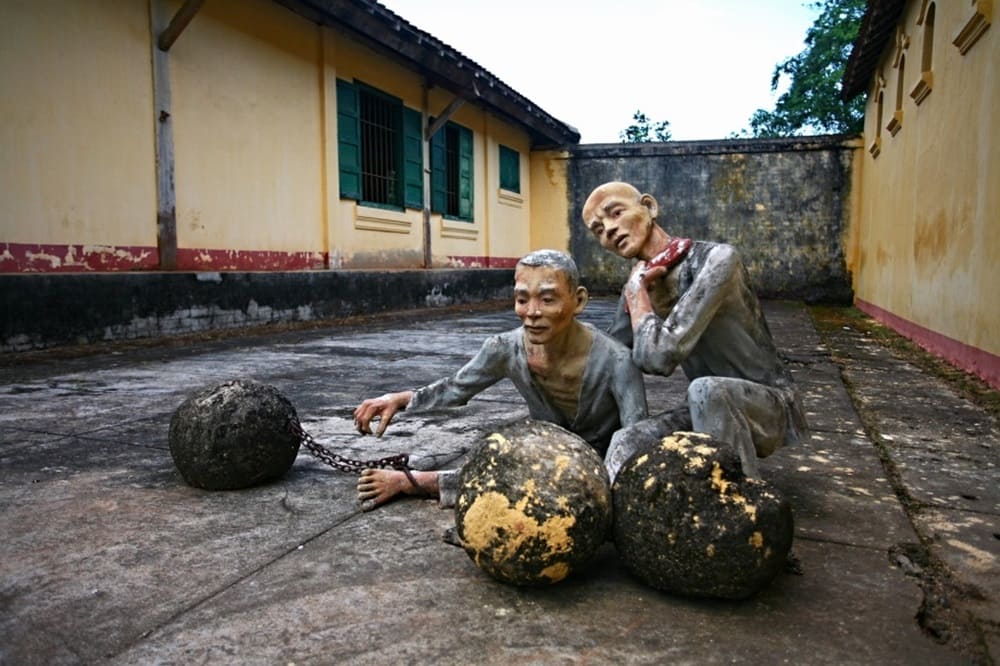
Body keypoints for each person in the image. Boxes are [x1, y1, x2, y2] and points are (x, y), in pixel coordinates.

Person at [352, 249, 648, 510]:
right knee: (496, 463)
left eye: (547, 299)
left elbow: (637, 437)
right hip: (544, 450)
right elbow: (457, 387)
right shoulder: (505, 348)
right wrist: (400, 399)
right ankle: (413, 482)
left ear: (578, 300)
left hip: (603, 462)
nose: (531, 313)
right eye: (522, 299)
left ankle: (415, 482)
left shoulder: (617, 361)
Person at [580, 181, 807, 481]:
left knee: (707, 391)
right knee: (627, 441)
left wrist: (637, 296)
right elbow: (611, 357)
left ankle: (743, 505)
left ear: (649, 207)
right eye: (598, 229)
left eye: (616, 212)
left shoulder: (717, 260)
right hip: (704, 405)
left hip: (769, 405)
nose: (608, 229)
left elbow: (658, 357)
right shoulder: (640, 285)